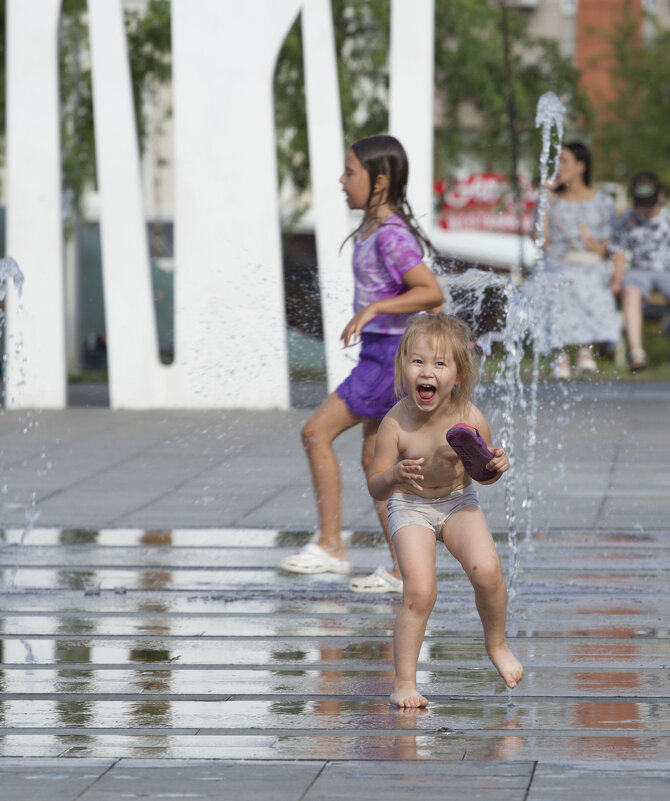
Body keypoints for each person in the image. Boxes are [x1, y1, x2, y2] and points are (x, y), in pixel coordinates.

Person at [280, 134, 444, 593]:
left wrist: (375, 309)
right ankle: (401, 569)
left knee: (316, 432)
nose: (340, 180)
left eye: (350, 172)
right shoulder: (374, 231)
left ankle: (333, 545)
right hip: (381, 354)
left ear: (379, 182)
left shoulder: (391, 235)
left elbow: (430, 291)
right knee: (378, 463)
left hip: (386, 359)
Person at [366, 313, 523, 707]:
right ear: (403, 366)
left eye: (439, 364)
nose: (427, 371)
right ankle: (404, 682)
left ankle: (498, 645)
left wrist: (495, 467)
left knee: (488, 571)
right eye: (417, 361)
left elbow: (482, 475)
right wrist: (395, 476)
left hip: (457, 502)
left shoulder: (469, 418)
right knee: (419, 592)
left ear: (458, 374)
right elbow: (375, 484)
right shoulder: (395, 423)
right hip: (410, 505)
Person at [533, 141, 619, 379]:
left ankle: (585, 349)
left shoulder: (603, 202)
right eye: (556, 161)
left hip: (590, 263)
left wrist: (598, 248)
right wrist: (545, 204)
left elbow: (613, 245)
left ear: (581, 166)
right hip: (559, 262)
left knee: (586, 280)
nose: (558, 167)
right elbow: (541, 241)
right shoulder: (551, 200)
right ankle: (560, 353)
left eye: (564, 161)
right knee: (560, 279)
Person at [610, 171, 670, 372]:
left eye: (649, 203)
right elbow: (619, 250)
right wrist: (617, 280)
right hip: (639, 270)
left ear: (660, 196)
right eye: (641, 203)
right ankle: (636, 352)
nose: (645, 208)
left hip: (666, 270)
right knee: (630, 292)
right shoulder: (629, 218)